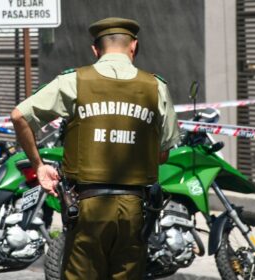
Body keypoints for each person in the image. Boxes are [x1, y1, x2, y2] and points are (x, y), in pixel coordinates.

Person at [10, 17, 180, 279]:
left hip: (87, 205)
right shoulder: (156, 86)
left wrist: (39, 166)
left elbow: (19, 116)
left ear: (95, 49)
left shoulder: (73, 81)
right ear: (133, 46)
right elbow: (163, 153)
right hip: (135, 208)